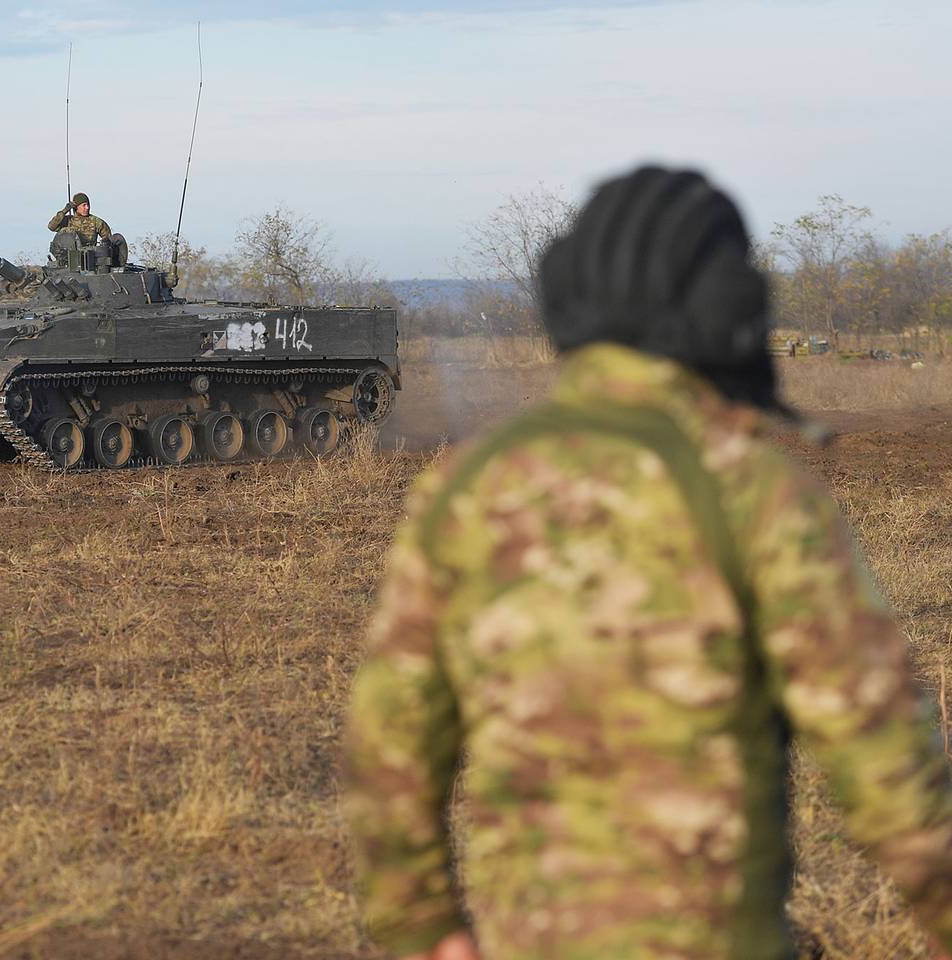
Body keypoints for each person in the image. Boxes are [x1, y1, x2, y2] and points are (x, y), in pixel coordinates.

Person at [342, 166, 952, 960]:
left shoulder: (465, 489)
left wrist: (420, 927)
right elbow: (886, 762)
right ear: (725, 307)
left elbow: (389, 738)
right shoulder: (754, 489)